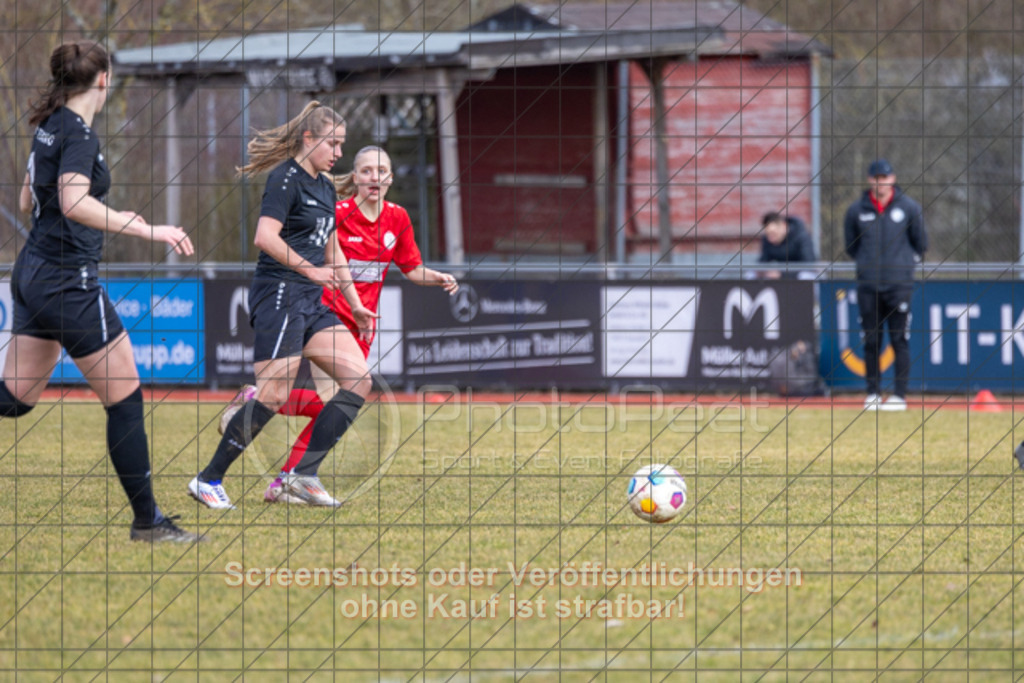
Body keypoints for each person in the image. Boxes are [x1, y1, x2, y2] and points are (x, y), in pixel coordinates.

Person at [6, 41, 199, 542]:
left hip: (34, 272)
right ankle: (149, 522)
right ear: (103, 80)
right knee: (126, 398)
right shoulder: (76, 134)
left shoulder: (50, 126)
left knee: (15, 399)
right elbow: (71, 202)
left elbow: (27, 200)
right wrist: (145, 228)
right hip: (68, 279)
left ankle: (150, 520)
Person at [219, 146, 459, 504]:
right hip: (325, 318)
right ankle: (291, 477)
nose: (374, 177)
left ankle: (270, 439)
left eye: (381, 171)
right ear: (356, 178)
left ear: (390, 178)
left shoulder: (398, 218)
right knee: (335, 401)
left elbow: (411, 268)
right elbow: (312, 249)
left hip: (361, 325)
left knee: (330, 406)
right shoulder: (338, 213)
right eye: (366, 171)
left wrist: (436, 277)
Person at [188, 101, 378, 509]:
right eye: (333, 143)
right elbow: (265, 237)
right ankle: (208, 480)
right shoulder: (284, 179)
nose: (339, 153)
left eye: (342, 144)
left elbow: (334, 251)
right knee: (273, 395)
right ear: (309, 139)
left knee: (359, 380)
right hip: (279, 295)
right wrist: (310, 272)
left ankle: (300, 476)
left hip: (312, 301)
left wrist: (354, 302)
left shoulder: (325, 185)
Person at [843, 158, 927, 412]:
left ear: (893, 178)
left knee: (899, 339)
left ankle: (899, 396)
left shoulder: (910, 208)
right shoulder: (856, 210)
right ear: (870, 180)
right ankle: (872, 394)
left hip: (899, 285)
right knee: (871, 340)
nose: (881, 182)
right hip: (869, 286)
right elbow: (851, 247)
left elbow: (921, 244)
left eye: (885, 177)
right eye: (877, 177)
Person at [757, 212, 816, 279]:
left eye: (773, 233)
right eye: (767, 234)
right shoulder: (768, 240)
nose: (770, 239)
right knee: (750, 275)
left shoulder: (801, 237)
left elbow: (809, 265)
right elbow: (762, 263)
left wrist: (782, 274)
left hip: (799, 276)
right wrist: (765, 272)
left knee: (806, 276)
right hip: (780, 277)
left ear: (784, 226)